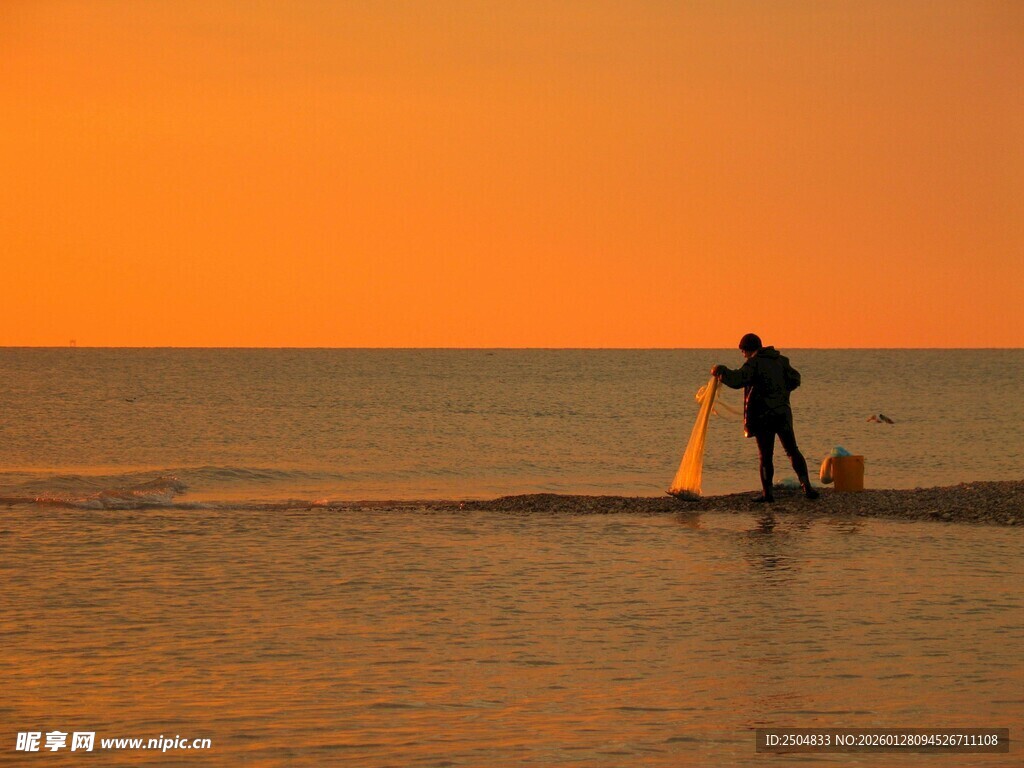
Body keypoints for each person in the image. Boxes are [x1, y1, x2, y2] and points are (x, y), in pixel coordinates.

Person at [712, 333, 819, 503]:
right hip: (783, 412)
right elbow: (795, 378)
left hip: (764, 415)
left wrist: (720, 371)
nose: (743, 354)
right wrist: (782, 392)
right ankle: (807, 487)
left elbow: (737, 380)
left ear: (746, 349)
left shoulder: (754, 363)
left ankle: (767, 494)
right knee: (792, 450)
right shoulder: (781, 360)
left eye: (743, 351)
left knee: (765, 456)